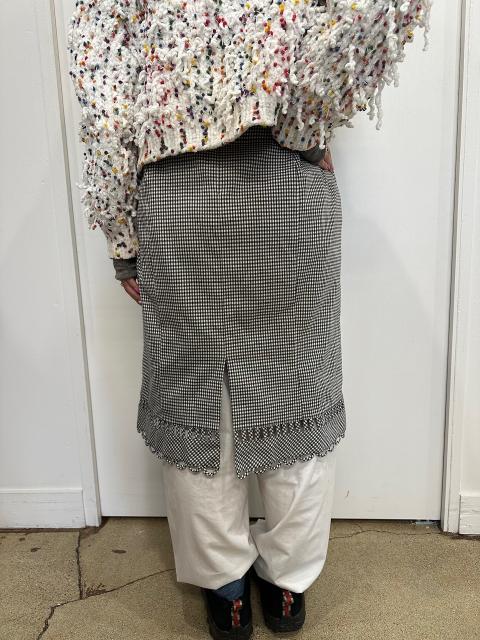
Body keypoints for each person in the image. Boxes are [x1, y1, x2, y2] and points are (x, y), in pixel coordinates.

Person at [67, 2, 431, 638]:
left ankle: (227, 589)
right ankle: (287, 585)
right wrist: (310, 127)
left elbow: (105, 99)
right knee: (295, 386)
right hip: (288, 184)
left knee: (197, 398)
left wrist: (123, 236)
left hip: (177, 191)